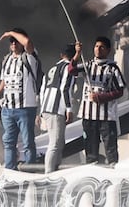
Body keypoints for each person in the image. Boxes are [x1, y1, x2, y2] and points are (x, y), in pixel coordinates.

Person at [69, 36, 125, 166]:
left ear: (108, 50)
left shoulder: (113, 68)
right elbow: (71, 70)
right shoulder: (88, 65)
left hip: (107, 117)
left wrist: (101, 97)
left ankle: (113, 170)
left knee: (110, 148)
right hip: (88, 115)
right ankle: (92, 170)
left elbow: (120, 91)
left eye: (102, 47)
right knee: (90, 149)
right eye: (96, 46)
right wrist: (77, 53)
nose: (98, 49)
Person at [0, 28, 39, 169]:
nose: (13, 43)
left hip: (25, 108)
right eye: (11, 41)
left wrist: (10, 33)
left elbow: (28, 43)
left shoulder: (29, 56)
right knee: (8, 142)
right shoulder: (7, 60)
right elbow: (3, 80)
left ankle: (30, 171)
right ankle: (10, 170)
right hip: (8, 109)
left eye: (16, 41)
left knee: (28, 143)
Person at [39, 42, 78, 173]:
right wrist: (69, 109)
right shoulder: (69, 68)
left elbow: (43, 90)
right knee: (55, 143)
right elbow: (65, 89)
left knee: (59, 142)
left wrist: (41, 111)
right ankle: (48, 174)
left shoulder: (51, 68)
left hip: (47, 107)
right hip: (57, 108)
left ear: (61, 55)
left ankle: (54, 169)